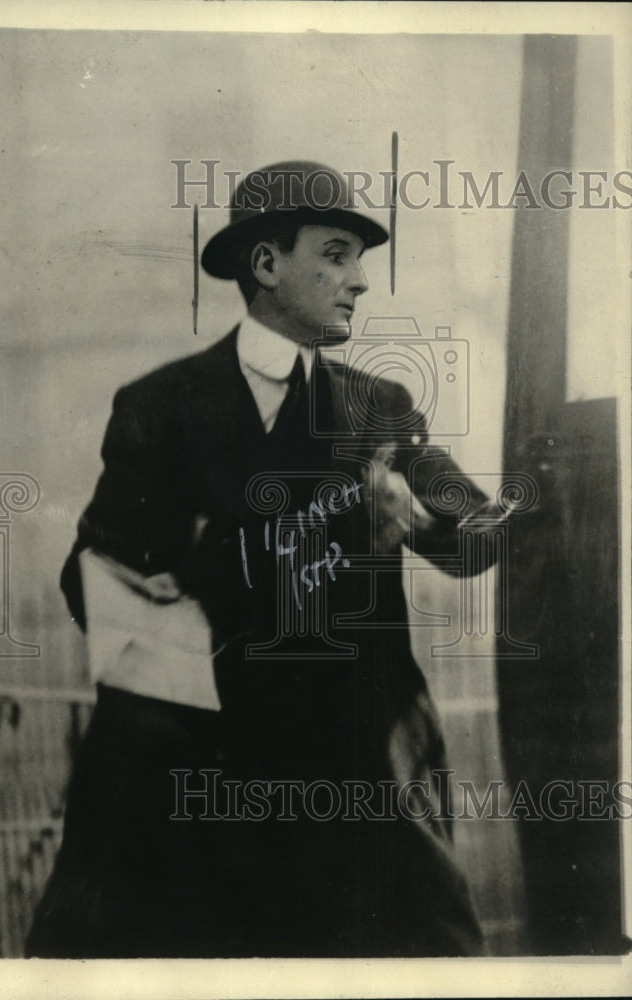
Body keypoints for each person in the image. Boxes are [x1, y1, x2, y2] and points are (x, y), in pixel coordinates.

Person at [26, 161, 496, 959]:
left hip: (358, 766)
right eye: (338, 255)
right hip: (210, 772)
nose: (359, 283)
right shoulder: (161, 407)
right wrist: (179, 578)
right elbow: (90, 572)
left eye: (359, 263)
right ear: (267, 265)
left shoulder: (377, 407)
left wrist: (415, 521)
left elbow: (481, 527)